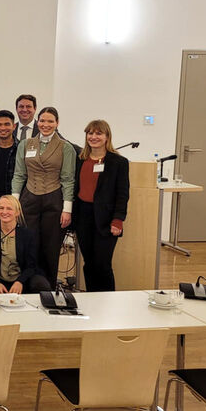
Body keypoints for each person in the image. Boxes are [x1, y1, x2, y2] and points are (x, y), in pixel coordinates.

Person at [12, 106, 76, 289]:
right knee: (29, 244)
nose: (45, 124)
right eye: (42, 120)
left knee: (50, 247)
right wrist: (14, 202)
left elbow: (68, 180)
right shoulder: (25, 144)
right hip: (28, 199)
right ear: (37, 122)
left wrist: (67, 209)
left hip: (54, 200)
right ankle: (27, 284)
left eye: (50, 121)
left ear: (57, 123)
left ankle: (47, 287)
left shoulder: (66, 147)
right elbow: (19, 175)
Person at [72, 120, 130, 292]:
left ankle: (107, 302)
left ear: (107, 137)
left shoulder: (118, 162)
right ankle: (92, 299)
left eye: (98, 133)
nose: (93, 137)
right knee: (89, 264)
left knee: (102, 264)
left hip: (106, 219)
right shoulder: (80, 160)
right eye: (90, 133)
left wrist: (118, 220)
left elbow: (123, 194)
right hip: (83, 217)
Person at [0, 195, 51, 295]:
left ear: (17, 212)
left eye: (9, 208)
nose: (4, 212)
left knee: (41, 285)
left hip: (23, 280)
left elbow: (32, 265)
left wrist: (20, 281)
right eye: (1, 208)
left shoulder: (28, 235)